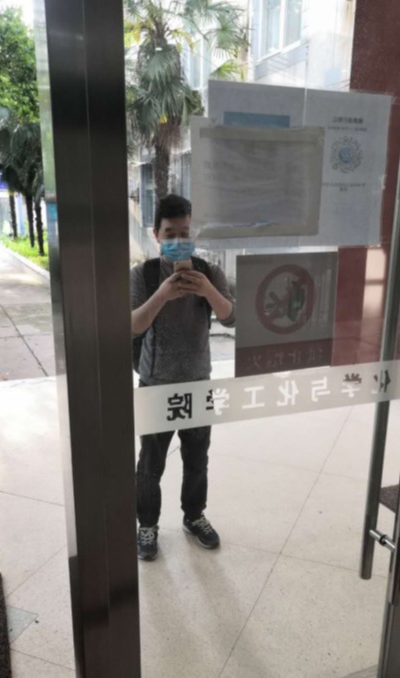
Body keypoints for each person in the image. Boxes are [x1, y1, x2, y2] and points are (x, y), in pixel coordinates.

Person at [131, 194, 235, 561]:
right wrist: (163, 294)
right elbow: (133, 325)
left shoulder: (209, 272)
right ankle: (147, 525)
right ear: (156, 235)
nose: (178, 240)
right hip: (156, 384)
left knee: (197, 460)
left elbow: (230, 318)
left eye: (185, 233)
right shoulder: (144, 275)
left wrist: (206, 289)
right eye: (170, 233)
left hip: (198, 382)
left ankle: (194, 516)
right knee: (150, 465)